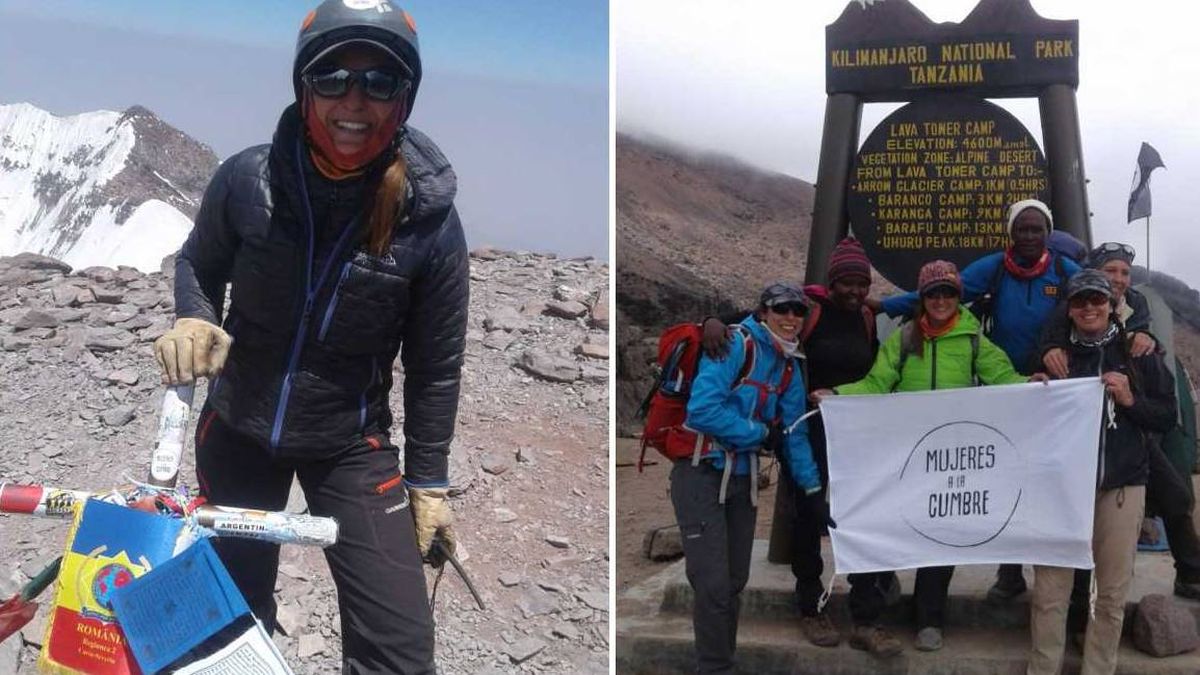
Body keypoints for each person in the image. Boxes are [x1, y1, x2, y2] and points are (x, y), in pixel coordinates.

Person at [152, 2, 467, 672]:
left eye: (379, 81)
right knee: (228, 624)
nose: (354, 100)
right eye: (333, 78)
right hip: (238, 426)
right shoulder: (247, 180)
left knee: (400, 652)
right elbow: (198, 262)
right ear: (304, 88)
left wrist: (429, 483)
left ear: (404, 98)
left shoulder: (429, 222)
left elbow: (435, 366)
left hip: (350, 442)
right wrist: (195, 314)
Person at [815, 260, 1044, 653]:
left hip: (949, 457)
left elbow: (1003, 379)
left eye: (948, 293)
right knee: (888, 526)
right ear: (922, 298)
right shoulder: (904, 338)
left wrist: (1031, 384)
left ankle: (930, 618)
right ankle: (872, 608)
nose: (941, 300)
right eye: (933, 293)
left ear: (958, 297)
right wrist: (838, 395)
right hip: (904, 456)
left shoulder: (973, 340)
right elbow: (876, 383)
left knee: (941, 535)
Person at [868, 199, 1081, 601]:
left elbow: (1099, 298)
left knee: (1038, 477)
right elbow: (939, 293)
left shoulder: (1064, 271)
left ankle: (1026, 570)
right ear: (1011, 232)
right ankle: (1009, 572)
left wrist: (1138, 327)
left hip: (1045, 389)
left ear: (1048, 232)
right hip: (1000, 390)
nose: (1029, 236)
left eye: (1037, 229)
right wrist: (882, 305)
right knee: (1006, 476)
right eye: (1022, 228)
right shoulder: (995, 267)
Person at [700, 237, 892, 651]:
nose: (855, 290)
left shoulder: (866, 317)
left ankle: (866, 616)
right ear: (832, 281)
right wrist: (710, 322)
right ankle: (810, 606)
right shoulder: (805, 310)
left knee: (859, 515)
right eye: (848, 282)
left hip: (854, 435)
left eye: (862, 283)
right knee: (807, 516)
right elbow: (749, 318)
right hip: (803, 431)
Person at [1026, 270, 1178, 675]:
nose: (1089, 308)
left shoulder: (1139, 354)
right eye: (1080, 301)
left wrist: (1129, 400)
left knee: (1110, 594)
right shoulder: (1054, 357)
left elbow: (1166, 416)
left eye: (1097, 300)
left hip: (1121, 487)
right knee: (1049, 592)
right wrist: (1033, 390)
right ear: (1069, 309)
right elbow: (1028, 419)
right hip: (1060, 490)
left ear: (1112, 306)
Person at [675, 281, 824, 675]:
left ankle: (721, 663)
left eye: (798, 311)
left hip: (743, 479)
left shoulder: (788, 365)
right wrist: (759, 433)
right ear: (763, 312)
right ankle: (716, 668)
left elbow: (794, 432)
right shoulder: (735, 345)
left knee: (734, 580)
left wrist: (812, 489)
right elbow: (702, 411)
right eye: (782, 309)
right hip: (701, 473)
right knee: (712, 584)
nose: (790, 317)